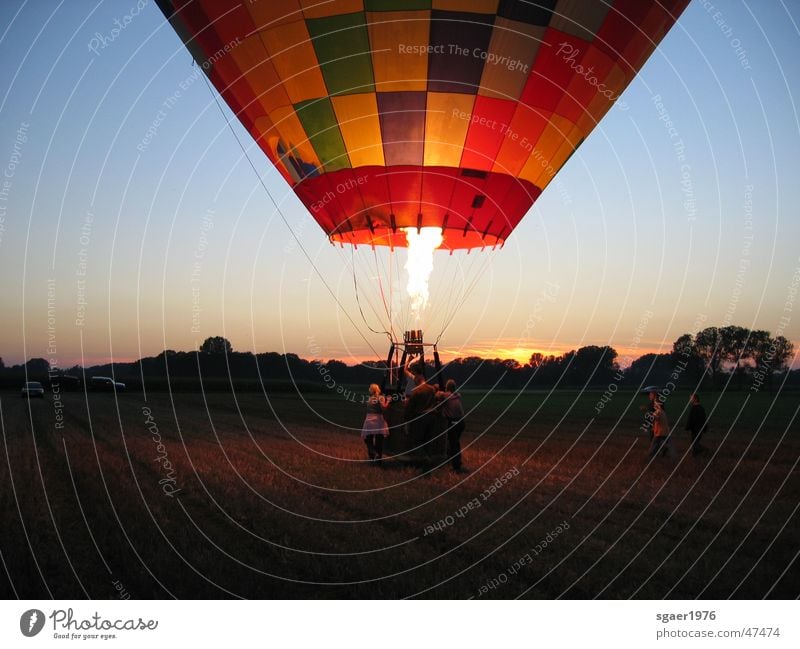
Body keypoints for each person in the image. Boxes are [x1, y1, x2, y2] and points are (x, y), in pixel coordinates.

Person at [405, 373, 439, 460]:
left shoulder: (416, 391)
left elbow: (410, 407)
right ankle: (428, 463)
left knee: (416, 442)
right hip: (433, 417)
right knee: (428, 441)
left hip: (421, 418)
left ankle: (425, 459)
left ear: (417, 380)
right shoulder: (432, 389)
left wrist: (407, 420)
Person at [437, 379, 466, 472]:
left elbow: (437, 395)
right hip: (461, 422)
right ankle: (456, 462)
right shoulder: (457, 395)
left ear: (447, 387)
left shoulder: (446, 395)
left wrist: (436, 388)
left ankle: (456, 466)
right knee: (455, 443)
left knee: (453, 444)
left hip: (453, 422)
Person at [361, 384, 389, 464]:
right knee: (379, 440)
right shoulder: (380, 397)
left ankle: (372, 454)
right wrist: (388, 401)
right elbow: (384, 408)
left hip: (369, 420)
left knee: (368, 439)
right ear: (377, 389)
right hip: (378, 420)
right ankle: (378, 459)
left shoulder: (369, 399)